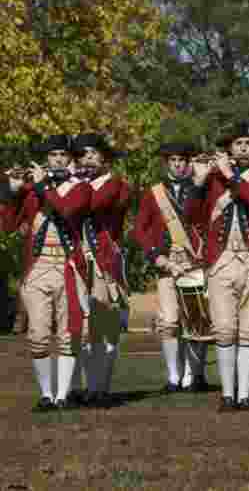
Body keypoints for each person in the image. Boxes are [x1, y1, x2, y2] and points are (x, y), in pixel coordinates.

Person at [193, 122, 249, 411]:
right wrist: (198, 183)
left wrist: (229, 174)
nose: (242, 148)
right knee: (224, 329)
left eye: (248, 144)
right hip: (221, 262)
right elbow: (192, 216)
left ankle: (245, 394)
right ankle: (227, 394)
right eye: (237, 144)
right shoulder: (214, 179)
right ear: (228, 149)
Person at [2, 135, 93, 411]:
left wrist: (40, 185)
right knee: (38, 334)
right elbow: (7, 225)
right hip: (38, 268)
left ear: (70, 159)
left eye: (63, 155)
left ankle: (62, 395)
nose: (58, 160)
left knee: (68, 334)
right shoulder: (33, 190)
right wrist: (12, 192)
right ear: (46, 159)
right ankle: (45, 394)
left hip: (68, 267)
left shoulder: (81, 188)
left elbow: (66, 210)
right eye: (53, 155)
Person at [133, 141, 208, 394]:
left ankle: (195, 374)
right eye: (173, 160)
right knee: (169, 321)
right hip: (166, 261)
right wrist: (157, 257)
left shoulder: (200, 188)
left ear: (189, 163)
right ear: (167, 163)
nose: (178, 165)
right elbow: (140, 229)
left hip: (195, 261)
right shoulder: (153, 192)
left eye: (183, 160)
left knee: (196, 319)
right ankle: (174, 376)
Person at [71, 133, 134, 408]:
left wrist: (71, 183)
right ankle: (80, 388)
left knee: (103, 326)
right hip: (75, 260)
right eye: (83, 154)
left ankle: (100, 388)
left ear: (105, 158)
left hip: (103, 261)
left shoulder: (116, 184)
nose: (88, 159)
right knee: (77, 327)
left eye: (93, 154)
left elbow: (93, 203)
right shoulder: (74, 185)